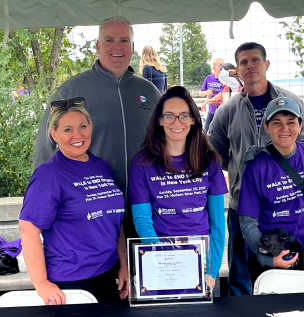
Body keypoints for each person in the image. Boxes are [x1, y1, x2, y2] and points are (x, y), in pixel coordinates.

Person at [32, 17, 161, 238]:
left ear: (132, 47)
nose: (117, 46)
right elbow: (45, 149)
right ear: (98, 46)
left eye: (124, 40)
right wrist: (42, 204)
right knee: (102, 272)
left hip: (144, 211)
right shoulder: (71, 90)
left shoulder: (149, 92)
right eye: (109, 40)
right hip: (91, 213)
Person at [208, 42, 304, 296]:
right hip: (241, 206)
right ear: (237, 71)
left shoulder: (292, 103)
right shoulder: (226, 111)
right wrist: (240, 171)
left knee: (290, 273)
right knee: (241, 277)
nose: (250, 66)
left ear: (267, 65)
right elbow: (215, 152)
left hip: (288, 206)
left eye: (255, 60)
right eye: (243, 62)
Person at [19, 97, 128, 304]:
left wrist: (123, 263)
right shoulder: (48, 176)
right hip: (71, 282)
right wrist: (41, 283)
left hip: (108, 275)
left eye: (83, 126)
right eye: (67, 129)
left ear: (91, 127)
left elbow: (116, 221)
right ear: (54, 134)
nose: (77, 135)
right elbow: (28, 229)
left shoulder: (101, 167)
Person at [128, 86, 227, 289]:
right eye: (169, 116)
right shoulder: (142, 163)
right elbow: (142, 220)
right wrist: (166, 260)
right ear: (159, 120)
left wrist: (212, 270)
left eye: (183, 116)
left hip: (202, 260)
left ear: (193, 119)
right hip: (161, 262)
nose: (176, 122)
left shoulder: (209, 161)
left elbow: (218, 224)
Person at [238, 97, 304, 284]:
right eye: (277, 123)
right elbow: (247, 220)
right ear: (266, 127)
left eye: (291, 122)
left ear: (300, 125)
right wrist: (267, 258)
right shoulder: (255, 166)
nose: (285, 129)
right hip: (272, 258)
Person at [200, 58, 225, 131]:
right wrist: (206, 92)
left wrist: (207, 102)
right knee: (205, 132)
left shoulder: (225, 79)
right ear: (214, 68)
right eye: (220, 65)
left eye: (224, 65)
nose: (222, 67)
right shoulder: (208, 78)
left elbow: (221, 94)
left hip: (222, 112)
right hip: (211, 111)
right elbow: (201, 93)